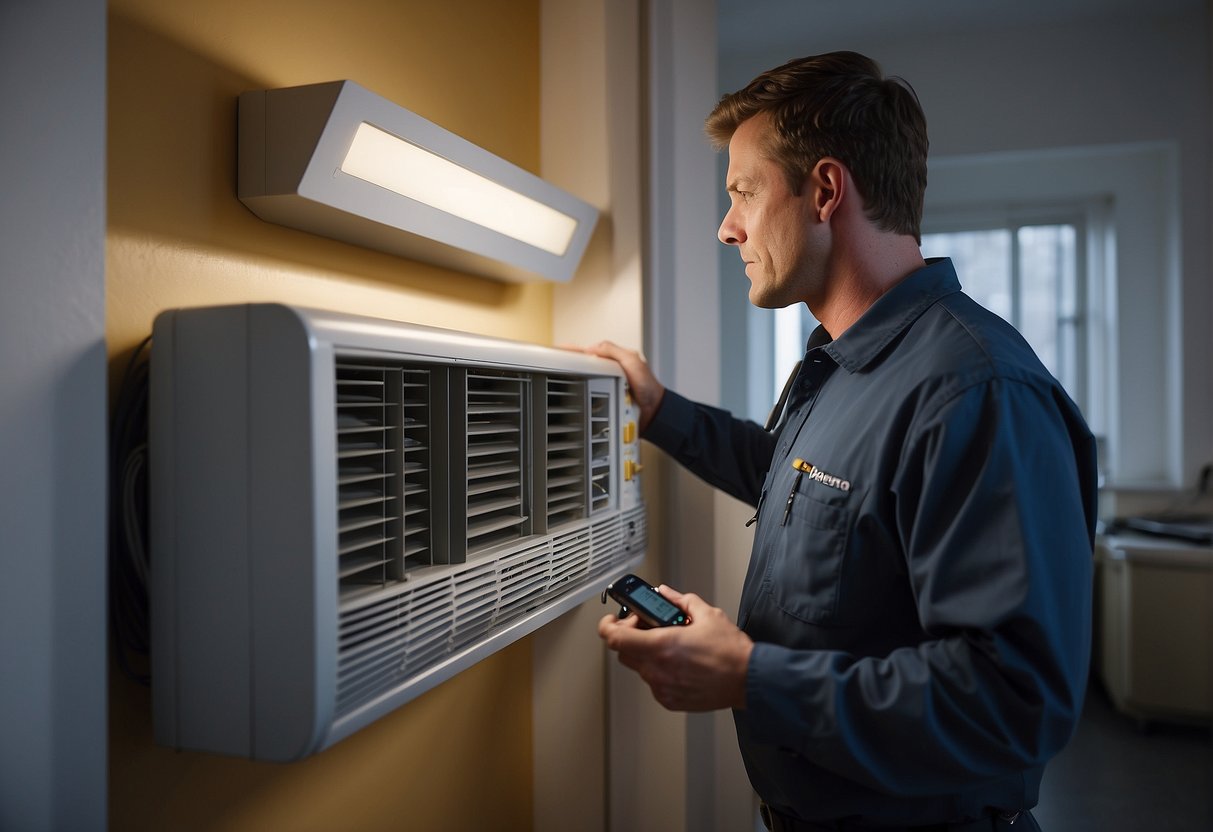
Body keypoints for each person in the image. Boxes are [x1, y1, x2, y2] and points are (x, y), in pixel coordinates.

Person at [589, 51, 1097, 831]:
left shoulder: (978, 391)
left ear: (824, 190)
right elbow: (795, 479)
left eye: (743, 194)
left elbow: (1012, 700)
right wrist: (657, 411)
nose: (728, 229)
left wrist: (750, 677)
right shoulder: (840, 363)